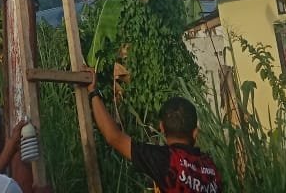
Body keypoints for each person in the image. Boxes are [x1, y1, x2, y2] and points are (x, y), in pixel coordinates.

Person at [86, 71, 222, 193]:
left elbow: (113, 137)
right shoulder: (211, 168)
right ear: (195, 133)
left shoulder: (164, 160)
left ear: (161, 127)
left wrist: (93, 91)